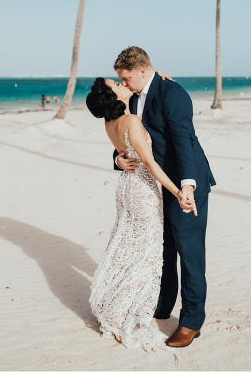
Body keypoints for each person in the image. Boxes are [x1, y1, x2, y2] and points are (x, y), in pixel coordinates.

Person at [113, 46, 216, 348]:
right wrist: (118, 160)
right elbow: (128, 139)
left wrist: (187, 185)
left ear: (143, 71)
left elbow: (183, 141)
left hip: (186, 184)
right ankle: (163, 304)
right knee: (164, 247)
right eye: (121, 79)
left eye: (127, 77)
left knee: (189, 251)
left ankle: (192, 321)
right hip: (154, 186)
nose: (124, 83)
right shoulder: (131, 97)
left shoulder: (174, 95)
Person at [86, 77, 195, 350]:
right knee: (145, 253)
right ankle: (120, 312)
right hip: (143, 188)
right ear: (113, 95)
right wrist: (177, 191)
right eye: (117, 84)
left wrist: (118, 159)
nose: (123, 84)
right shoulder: (132, 120)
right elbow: (149, 162)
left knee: (127, 246)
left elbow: (123, 152)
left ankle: (112, 301)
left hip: (125, 187)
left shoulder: (109, 123)